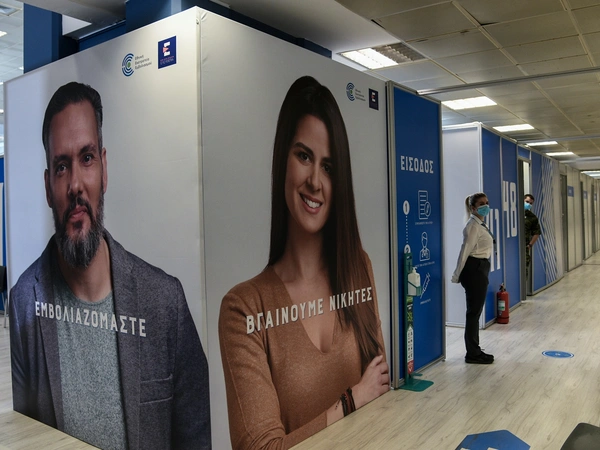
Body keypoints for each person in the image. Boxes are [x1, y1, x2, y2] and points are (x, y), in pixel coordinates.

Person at [9, 82, 211, 450]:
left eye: (87, 158)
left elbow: (196, 440)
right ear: (48, 186)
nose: (75, 185)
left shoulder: (165, 303)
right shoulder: (24, 304)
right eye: (61, 167)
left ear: (105, 169)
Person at [219, 76, 389, 450]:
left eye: (329, 167)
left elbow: (381, 390)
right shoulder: (243, 308)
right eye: (304, 156)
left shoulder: (358, 269)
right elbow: (262, 448)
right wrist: (351, 401)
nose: (315, 181)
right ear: (283, 159)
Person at [451, 192, 494, 365]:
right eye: (481, 204)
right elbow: (465, 252)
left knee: (475, 312)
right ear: (473, 208)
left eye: (487, 202)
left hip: (480, 268)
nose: (486, 206)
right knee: (473, 314)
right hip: (474, 269)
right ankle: (473, 353)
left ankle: (474, 350)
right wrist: (457, 275)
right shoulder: (472, 226)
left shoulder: (480, 224)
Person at [524, 194, 541, 280]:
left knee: (524, 271)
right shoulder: (513, 212)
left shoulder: (532, 217)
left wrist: (530, 245)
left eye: (530, 203)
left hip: (524, 247)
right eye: (527, 202)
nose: (528, 204)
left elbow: (537, 233)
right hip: (511, 247)